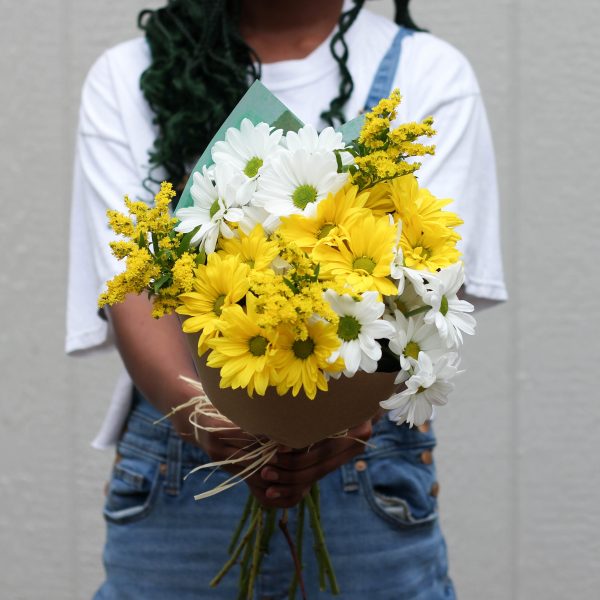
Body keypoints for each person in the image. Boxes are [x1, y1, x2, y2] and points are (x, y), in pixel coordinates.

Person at [66, 0, 507, 598]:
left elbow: (425, 287)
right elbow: (133, 289)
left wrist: (342, 424)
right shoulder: (131, 75)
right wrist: (213, 422)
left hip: (365, 458)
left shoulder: (429, 72)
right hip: (186, 455)